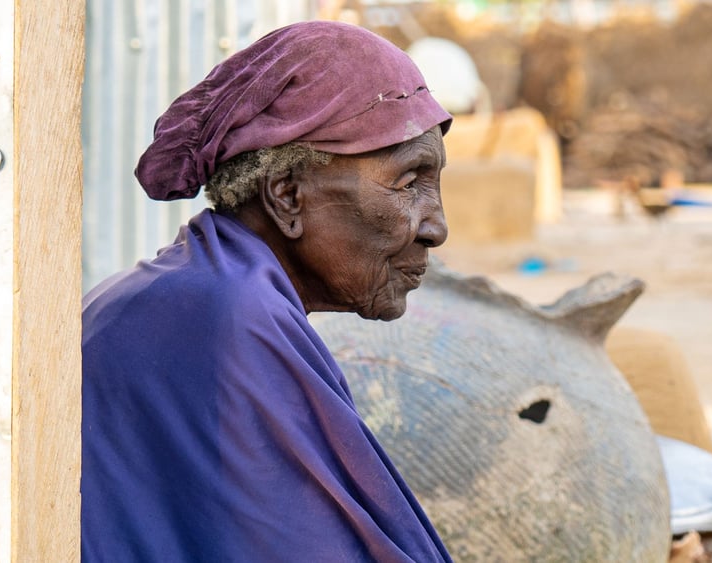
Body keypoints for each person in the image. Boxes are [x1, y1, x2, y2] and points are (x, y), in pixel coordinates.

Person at [81, 21, 454, 562]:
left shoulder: (203, 285)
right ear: (287, 197)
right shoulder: (228, 317)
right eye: (407, 183)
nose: (436, 227)